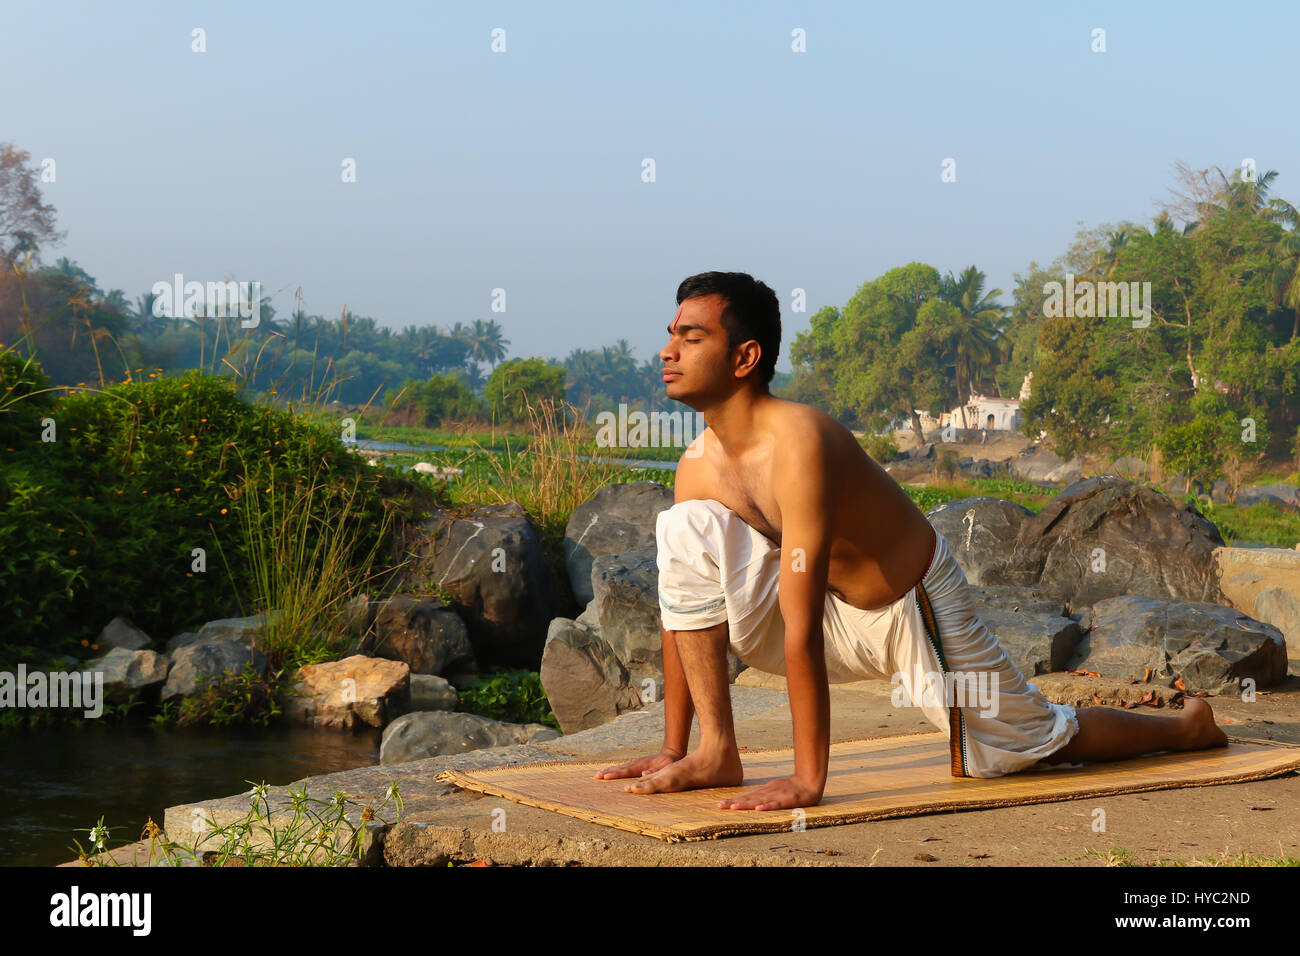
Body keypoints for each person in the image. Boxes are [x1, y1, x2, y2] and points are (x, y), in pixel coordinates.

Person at [594, 271, 1229, 812]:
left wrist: (808, 780)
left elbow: (797, 625)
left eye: (691, 336)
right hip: (824, 610)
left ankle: (1184, 728)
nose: (668, 351)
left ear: (744, 358)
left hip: (909, 607)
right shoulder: (697, 466)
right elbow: (686, 604)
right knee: (683, 526)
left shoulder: (799, 445)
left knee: (1019, 746)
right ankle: (714, 752)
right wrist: (673, 749)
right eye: (671, 334)